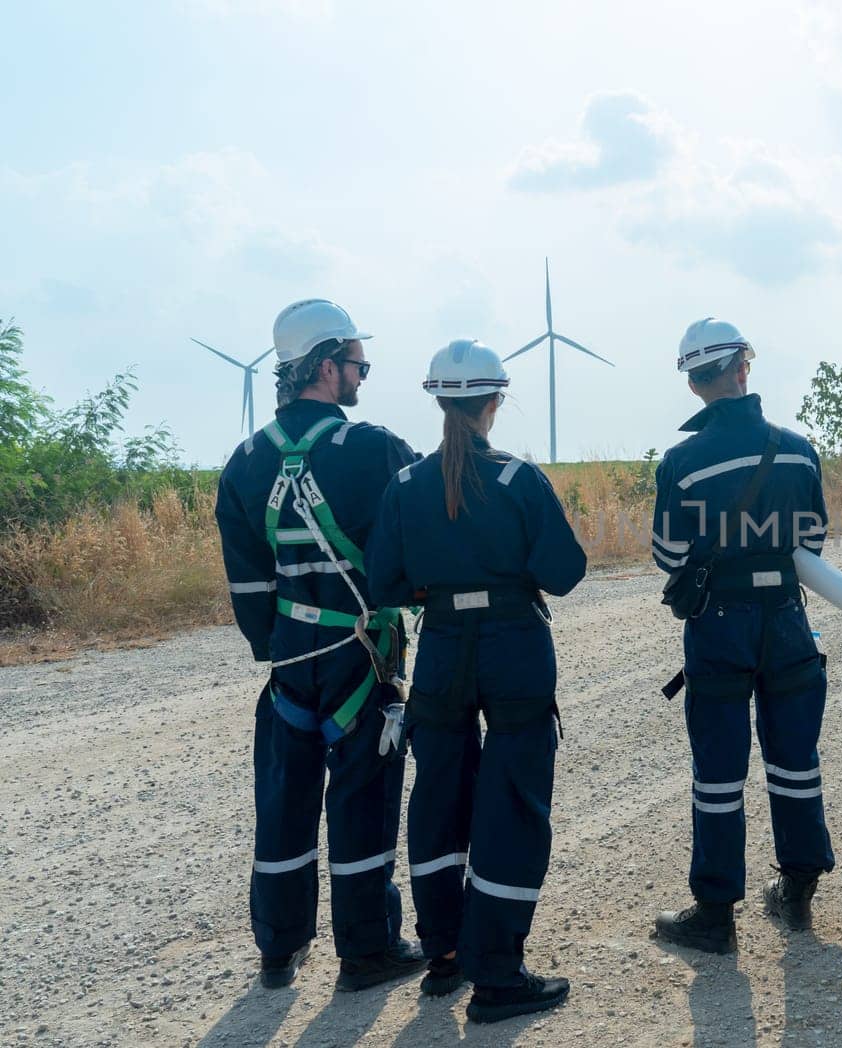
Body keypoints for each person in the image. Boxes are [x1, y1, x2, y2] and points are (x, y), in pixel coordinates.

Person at [366, 339, 587, 1023]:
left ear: (439, 400)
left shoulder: (405, 486)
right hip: (516, 647)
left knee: (437, 796)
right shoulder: (521, 481)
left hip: (442, 650)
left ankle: (446, 955)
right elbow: (566, 572)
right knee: (513, 803)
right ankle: (498, 975)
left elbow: (383, 582)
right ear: (495, 400)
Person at [214, 299, 426, 991]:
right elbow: (413, 552)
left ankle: (279, 949)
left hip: (289, 661)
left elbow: (248, 584)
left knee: (284, 800)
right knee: (363, 797)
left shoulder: (244, 461)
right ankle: (366, 951)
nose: (364, 375)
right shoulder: (373, 448)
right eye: (359, 364)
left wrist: (274, 648)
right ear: (328, 366)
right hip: (358, 654)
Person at [650, 318, 836, 954]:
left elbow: (668, 555)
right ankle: (799, 895)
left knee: (720, 770)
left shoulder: (681, 461)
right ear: (742, 369)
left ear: (696, 382)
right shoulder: (797, 449)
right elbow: (813, 542)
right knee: (794, 761)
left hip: (719, 628)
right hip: (786, 621)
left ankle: (715, 915)